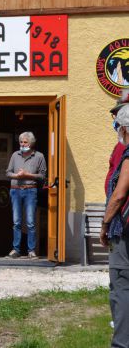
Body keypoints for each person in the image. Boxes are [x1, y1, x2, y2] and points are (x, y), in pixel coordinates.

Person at [101, 104, 129, 348]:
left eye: (118, 124)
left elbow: (119, 195)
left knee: (121, 286)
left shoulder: (128, 153)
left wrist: (105, 224)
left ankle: (121, 343)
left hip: (124, 230)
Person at [5, 132, 47, 260]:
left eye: (25, 142)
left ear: (31, 143)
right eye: (21, 142)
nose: (22, 144)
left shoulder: (39, 156)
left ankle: (31, 250)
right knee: (16, 222)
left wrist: (27, 175)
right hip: (15, 190)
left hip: (30, 190)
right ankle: (16, 250)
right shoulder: (15, 155)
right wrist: (16, 176)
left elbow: (42, 176)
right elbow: (8, 172)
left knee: (30, 222)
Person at [106, 89, 129, 195]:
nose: (116, 119)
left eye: (119, 114)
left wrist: (113, 203)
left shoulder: (124, 145)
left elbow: (119, 194)